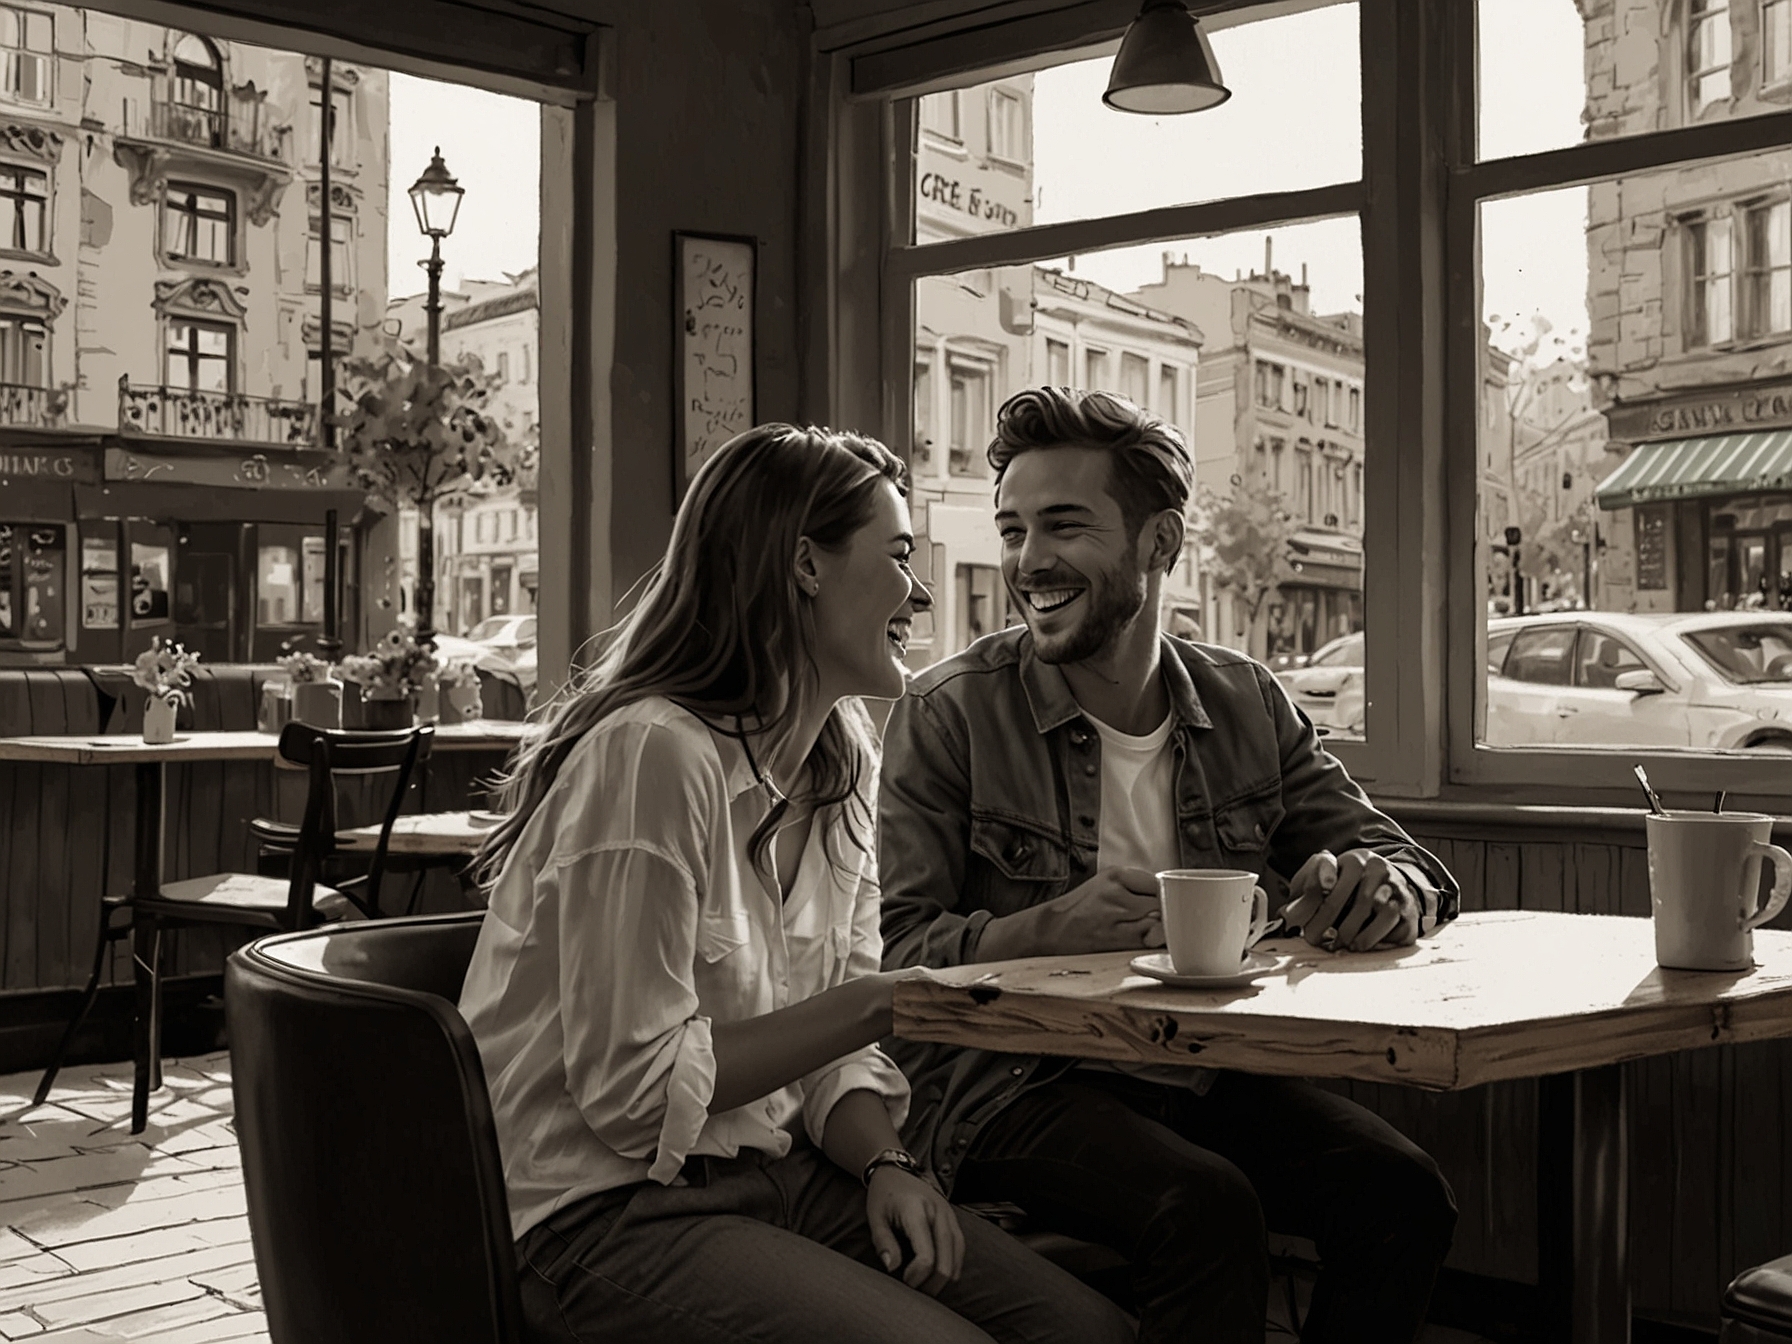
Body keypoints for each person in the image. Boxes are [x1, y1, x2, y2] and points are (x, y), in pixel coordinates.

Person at [459, 423, 1135, 1344]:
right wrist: (880, 1002)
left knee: (1087, 1329)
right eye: (899, 556)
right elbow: (633, 1099)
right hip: (599, 1213)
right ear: (806, 566)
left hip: (776, 1176)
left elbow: (830, 1059)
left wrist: (886, 1162)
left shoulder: (840, 763)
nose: (923, 591)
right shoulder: (653, 753)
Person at [879, 387, 1461, 1344]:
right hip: (1006, 1086)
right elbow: (895, 951)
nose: (1029, 562)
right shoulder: (952, 712)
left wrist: (1384, 887)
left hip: (1198, 1070)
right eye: (1014, 530)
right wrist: (1046, 931)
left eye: (1064, 526)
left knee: (1401, 1194)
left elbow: (1401, 858)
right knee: (1206, 1210)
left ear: (1160, 544)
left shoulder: (1246, 702)